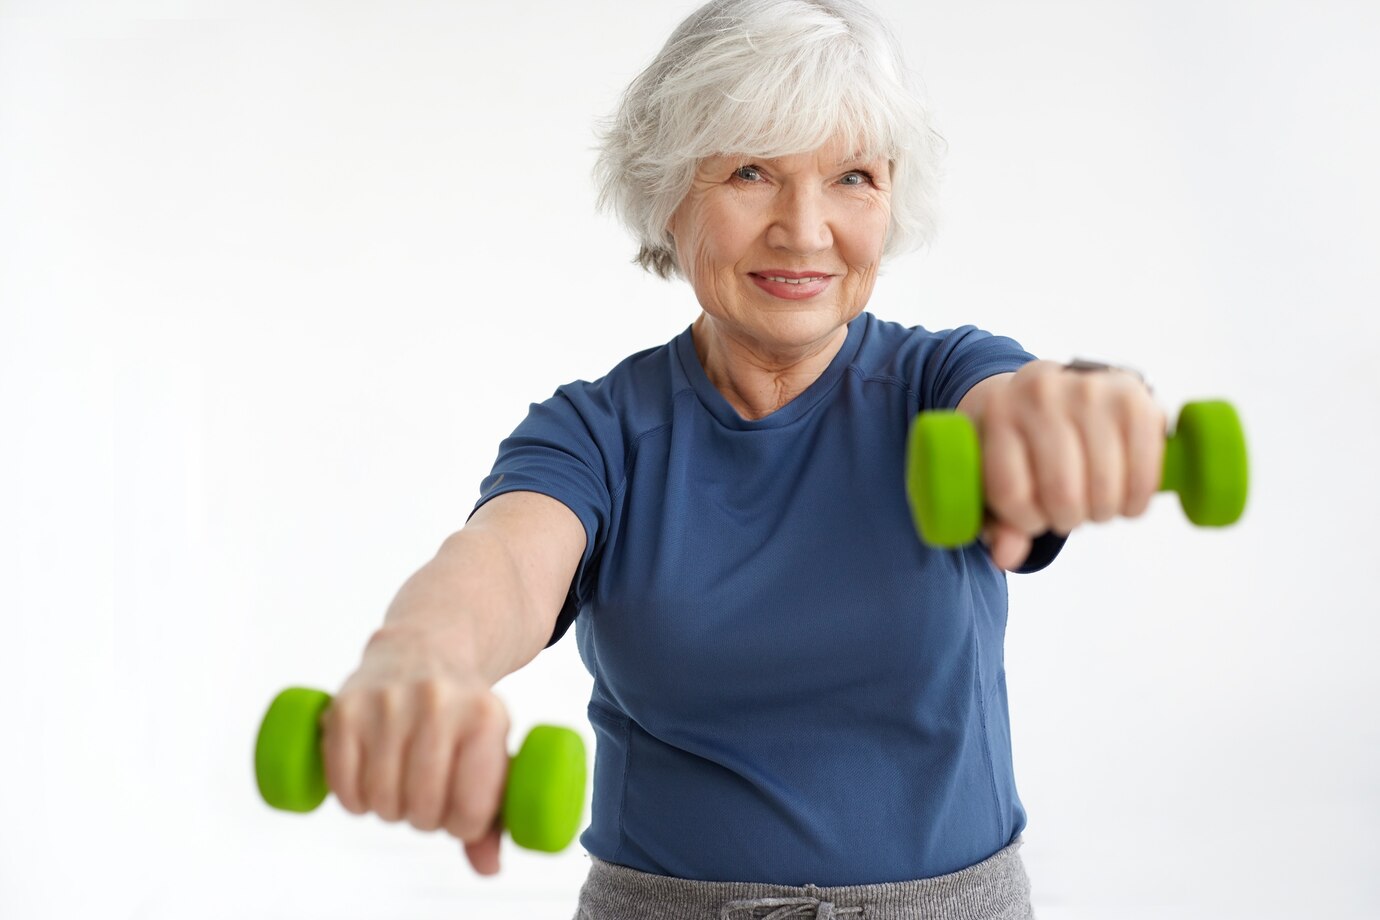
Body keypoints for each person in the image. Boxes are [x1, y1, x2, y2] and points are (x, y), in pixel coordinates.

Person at [319, 1, 1165, 917]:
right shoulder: (596, 432)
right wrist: (422, 657)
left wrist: (1078, 407)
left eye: (852, 176)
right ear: (669, 193)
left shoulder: (943, 384)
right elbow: (506, 566)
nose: (804, 230)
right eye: (751, 172)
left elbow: (1022, 408)